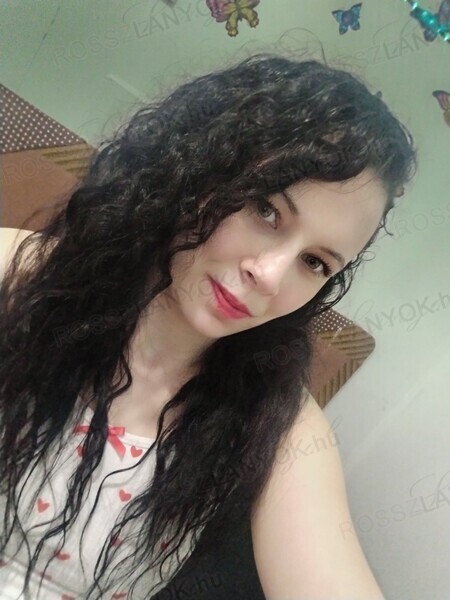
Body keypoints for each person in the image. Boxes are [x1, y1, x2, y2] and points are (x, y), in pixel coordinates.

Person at [0, 53, 416, 599]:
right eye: (266, 210)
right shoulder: (19, 276)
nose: (269, 276)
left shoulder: (279, 421)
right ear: (201, 168)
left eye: (315, 262)